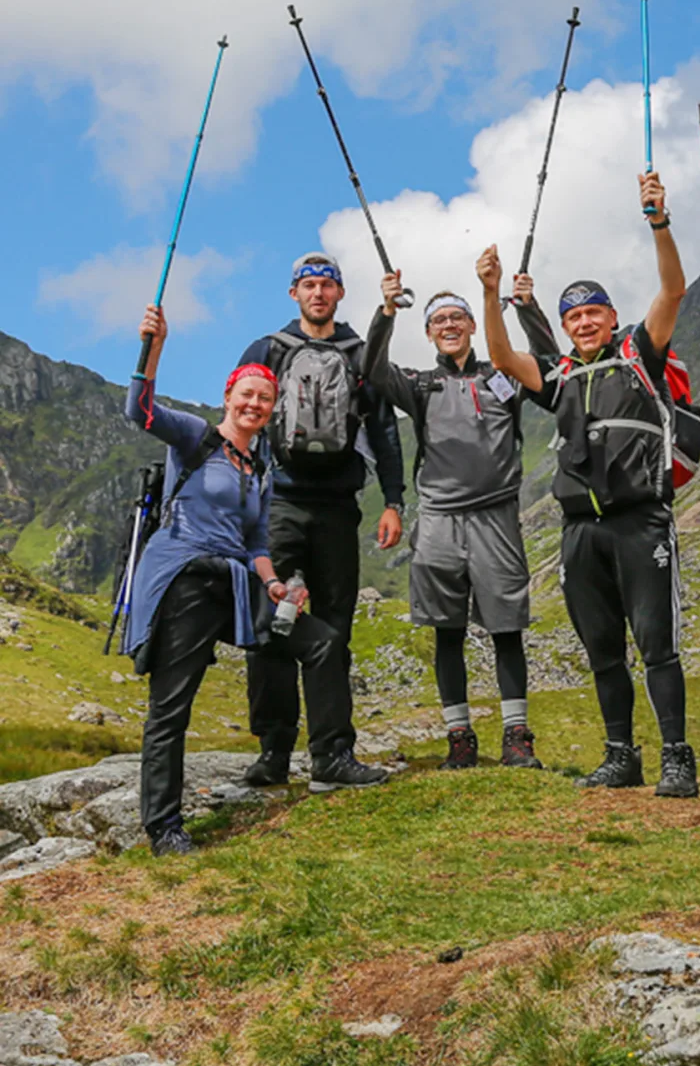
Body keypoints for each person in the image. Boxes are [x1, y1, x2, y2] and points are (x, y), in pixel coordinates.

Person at [124, 306, 385, 855]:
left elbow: (257, 543)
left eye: (264, 399)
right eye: (246, 395)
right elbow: (140, 410)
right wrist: (153, 348)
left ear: (274, 409)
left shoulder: (260, 467)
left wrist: (272, 584)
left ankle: (330, 759)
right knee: (172, 706)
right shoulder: (194, 438)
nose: (254, 404)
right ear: (228, 397)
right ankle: (164, 828)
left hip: (239, 586)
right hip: (187, 580)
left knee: (321, 642)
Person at [521, 171, 697, 797]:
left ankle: (677, 755)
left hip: (640, 519)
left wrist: (658, 221)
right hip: (579, 531)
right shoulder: (562, 376)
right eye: (574, 316)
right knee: (602, 650)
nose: (585, 322)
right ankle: (621, 755)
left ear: (612, 316)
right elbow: (503, 350)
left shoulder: (639, 353)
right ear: (565, 326)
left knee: (656, 645)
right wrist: (493, 296)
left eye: (594, 311)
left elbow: (673, 289)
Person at [236, 252, 406, 787]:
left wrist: (395, 501)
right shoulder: (268, 350)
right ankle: (274, 751)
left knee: (334, 628)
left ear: (340, 294)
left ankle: (331, 755)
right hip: (278, 504)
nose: (317, 293)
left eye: (326, 285)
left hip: (339, 507)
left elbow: (383, 427)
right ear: (294, 294)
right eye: (308, 285)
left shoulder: (361, 353)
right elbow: (243, 416)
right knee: (272, 627)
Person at [364, 253, 538, 770]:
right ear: (429, 332)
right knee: (447, 630)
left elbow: (547, 367)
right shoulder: (419, 384)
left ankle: (517, 737)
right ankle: (459, 737)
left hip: (496, 517)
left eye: (457, 318)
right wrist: (386, 312)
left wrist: (526, 308)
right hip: (439, 519)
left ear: (471, 326)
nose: (449, 325)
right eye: (438, 320)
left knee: (506, 628)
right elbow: (372, 368)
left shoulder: (503, 375)